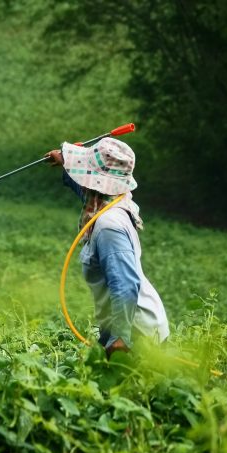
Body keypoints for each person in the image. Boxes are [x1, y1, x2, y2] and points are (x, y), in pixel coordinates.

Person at [45, 137, 169, 358]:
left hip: (136, 334)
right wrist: (65, 161)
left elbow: (125, 285)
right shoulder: (109, 201)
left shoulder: (108, 226)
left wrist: (121, 338)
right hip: (126, 326)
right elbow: (85, 188)